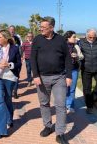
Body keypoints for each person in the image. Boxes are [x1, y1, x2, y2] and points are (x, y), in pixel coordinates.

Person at [30, 16, 72, 144]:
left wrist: (69, 76)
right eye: (40, 26)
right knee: (44, 103)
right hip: (42, 78)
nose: (40, 28)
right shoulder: (37, 39)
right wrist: (35, 75)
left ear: (51, 28)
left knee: (60, 105)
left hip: (59, 77)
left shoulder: (60, 40)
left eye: (43, 27)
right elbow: (33, 58)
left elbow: (67, 59)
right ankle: (48, 126)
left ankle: (60, 133)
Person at [0, 30, 21, 139]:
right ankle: (1, 130)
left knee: (7, 99)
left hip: (9, 77)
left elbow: (18, 63)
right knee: (0, 101)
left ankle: (9, 119)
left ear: (6, 38)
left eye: (0, 37)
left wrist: (9, 64)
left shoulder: (14, 49)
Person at [63, 31, 83, 113]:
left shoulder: (76, 46)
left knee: (72, 88)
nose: (75, 38)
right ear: (68, 37)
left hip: (74, 69)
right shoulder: (62, 46)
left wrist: (77, 56)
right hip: (63, 70)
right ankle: (63, 105)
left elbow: (82, 56)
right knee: (64, 88)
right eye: (74, 37)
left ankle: (70, 106)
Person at [79, 28, 97, 114]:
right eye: (90, 37)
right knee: (87, 88)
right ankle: (89, 106)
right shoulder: (81, 42)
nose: (92, 39)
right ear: (86, 36)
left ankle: (94, 99)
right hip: (86, 69)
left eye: (94, 37)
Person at [8, 25, 22, 99]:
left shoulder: (17, 38)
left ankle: (15, 92)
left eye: (13, 29)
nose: (12, 31)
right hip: (8, 62)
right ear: (8, 30)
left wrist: (21, 57)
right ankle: (9, 91)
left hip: (16, 61)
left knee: (16, 76)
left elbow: (20, 48)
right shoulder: (6, 38)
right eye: (11, 29)